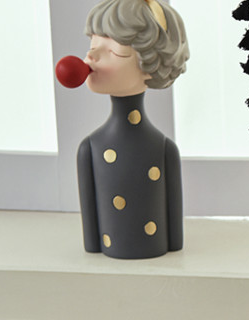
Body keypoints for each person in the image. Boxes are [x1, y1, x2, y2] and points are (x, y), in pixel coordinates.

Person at [77, 0, 189, 259]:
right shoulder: (90, 148)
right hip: (111, 252)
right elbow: (91, 229)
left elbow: (174, 230)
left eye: (116, 51)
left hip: (156, 250)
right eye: (93, 46)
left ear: (152, 65)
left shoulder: (163, 149)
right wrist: (93, 245)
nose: (91, 57)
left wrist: (174, 243)